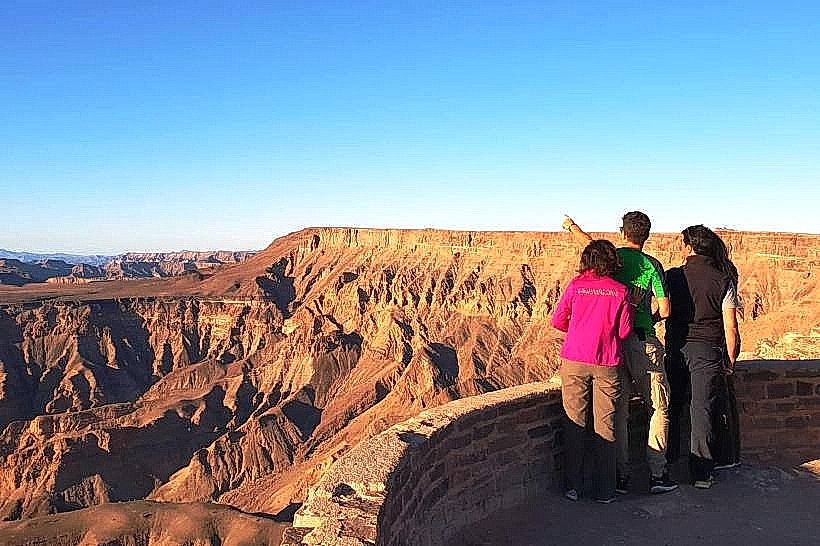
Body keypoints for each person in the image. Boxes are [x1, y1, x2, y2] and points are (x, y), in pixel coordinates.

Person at [562, 212, 678, 494]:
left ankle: (620, 476)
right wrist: (646, 318)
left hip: (609, 345)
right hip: (640, 340)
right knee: (658, 407)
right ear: (647, 235)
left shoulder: (610, 260)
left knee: (618, 412)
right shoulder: (652, 265)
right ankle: (658, 474)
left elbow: (590, 246)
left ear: (622, 232)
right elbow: (665, 310)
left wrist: (572, 227)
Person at [551, 239, 634, 503]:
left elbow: (557, 320)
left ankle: (572, 486)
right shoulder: (620, 291)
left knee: (574, 422)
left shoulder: (576, 286)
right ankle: (605, 490)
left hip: (574, 359)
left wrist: (579, 332)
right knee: (606, 425)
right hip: (607, 362)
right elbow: (624, 332)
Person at [665, 225, 740, 488]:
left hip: (676, 347)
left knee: (672, 405)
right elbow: (730, 326)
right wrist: (730, 359)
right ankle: (701, 473)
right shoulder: (723, 278)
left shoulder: (672, 276)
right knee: (702, 408)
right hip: (707, 350)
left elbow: (661, 310)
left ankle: (668, 464)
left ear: (688, 246)